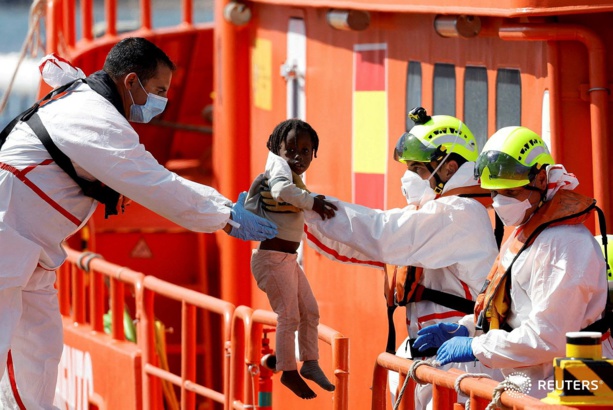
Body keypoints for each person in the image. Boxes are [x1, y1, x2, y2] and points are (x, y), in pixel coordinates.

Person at [0, 37, 277, 409]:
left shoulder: (84, 103)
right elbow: (154, 182)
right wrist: (225, 216)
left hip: (27, 252)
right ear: (131, 82)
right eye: (159, 90)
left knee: (40, 350)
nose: (162, 101)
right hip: (10, 243)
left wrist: (223, 205)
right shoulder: (94, 117)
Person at [303, 107, 500, 407]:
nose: (409, 178)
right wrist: (295, 219)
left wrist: (308, 206)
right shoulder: (436, 212)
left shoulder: (459, 214)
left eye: (417, 169)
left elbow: (383, 234)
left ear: (448, 168)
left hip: (460, 371)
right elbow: (361, 244)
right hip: (434, 365)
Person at [413, 126, 613, 399]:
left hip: (569, 387)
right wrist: (469, 326)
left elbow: (547, 336)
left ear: (541, 179)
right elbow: (516, 309)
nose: (499, 202)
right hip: (536, 382)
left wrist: (476, 346)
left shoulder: (566, 245)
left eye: (510, 192)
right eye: (494, 193)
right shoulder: (531, 230)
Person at [244, 118, 338, 399]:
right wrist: (314, 203)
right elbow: (281, 191)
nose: (299, 157)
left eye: (306, 151)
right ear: (278, 149)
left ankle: (309, 362)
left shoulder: (287, 171)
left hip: (286, 259)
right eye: (292, 150)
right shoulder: (278, 169)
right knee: (289, 315)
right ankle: (288, 371)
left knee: (309, 310)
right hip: (272, 259)